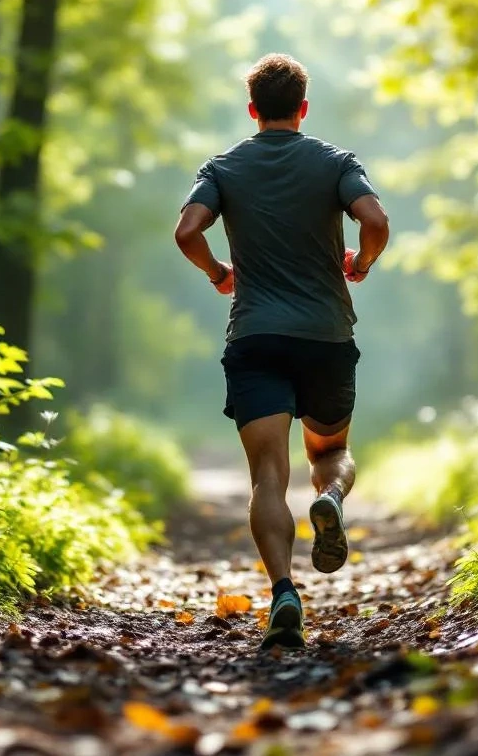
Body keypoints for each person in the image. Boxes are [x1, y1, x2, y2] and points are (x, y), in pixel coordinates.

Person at [173, 53, 391, 650]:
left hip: (256, 338)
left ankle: (284, 594)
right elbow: (375, 220)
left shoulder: (223, 168)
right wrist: (362, 262)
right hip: (326, 336)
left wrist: (219, 272)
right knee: (332, 451)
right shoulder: (336, 162)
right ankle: (330, 498)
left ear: (253, 110)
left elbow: (187, 232)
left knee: (267, 475)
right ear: (303, 108)